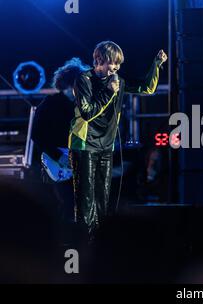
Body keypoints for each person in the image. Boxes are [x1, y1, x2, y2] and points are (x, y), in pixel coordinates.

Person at [68, 41, 168, 241]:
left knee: (102, 198)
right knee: (86, 199)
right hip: (84, 144)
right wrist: (108, 93)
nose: (115, 68)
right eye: (112, 63)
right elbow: (87, 113)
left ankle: (98, 242)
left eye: (118, 64)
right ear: (99, 60)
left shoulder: (118, 81)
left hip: (106, 145)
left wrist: (156, 65)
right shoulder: (84, 80)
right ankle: (83, 243)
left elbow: (146, 88)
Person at [32, 57, 90, 229]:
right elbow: (37, 135)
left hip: (77, 161)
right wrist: (58, 156)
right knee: (64, 205)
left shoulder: (82, 107)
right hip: (56, 163)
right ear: (70, 83)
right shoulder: (50, 104)